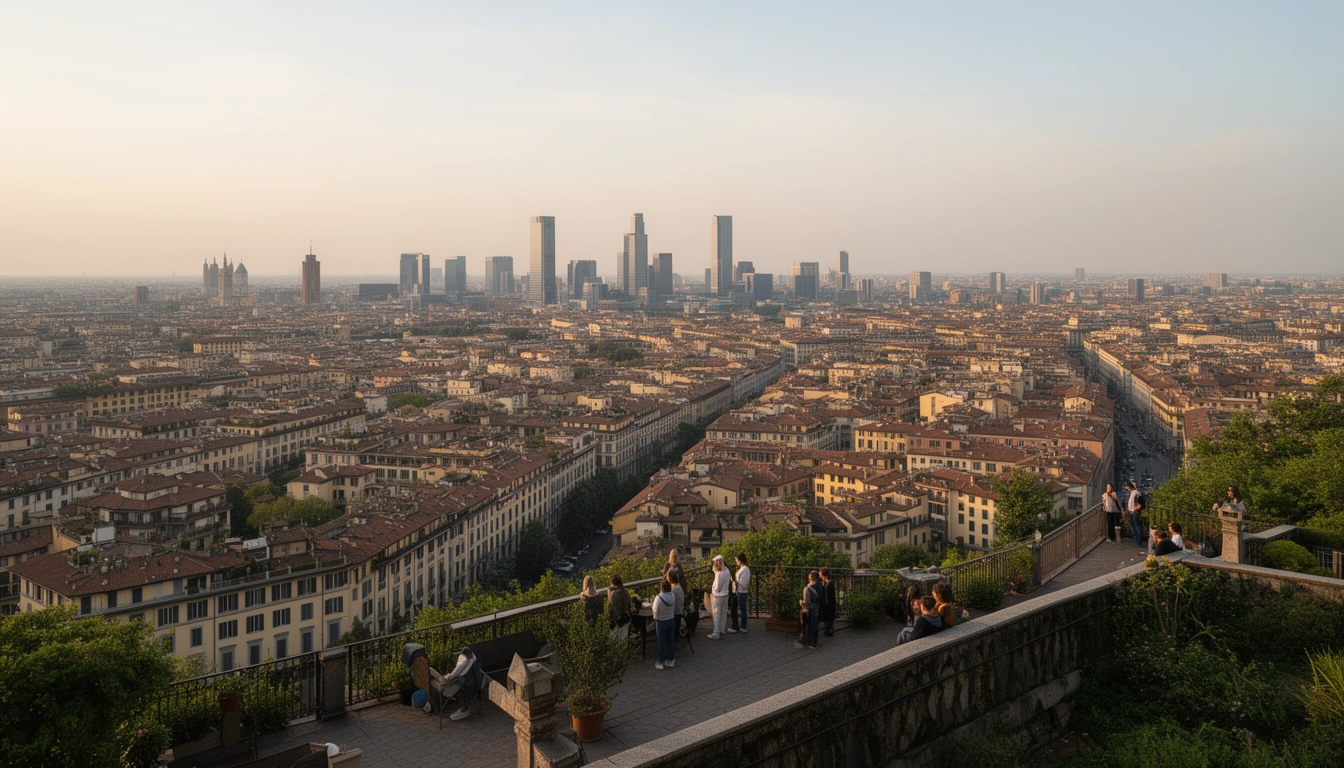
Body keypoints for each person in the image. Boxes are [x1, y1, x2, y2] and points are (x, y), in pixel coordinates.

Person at [443, 647, 484, 721]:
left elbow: (457, 671)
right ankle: (464, 708)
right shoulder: (472, 659)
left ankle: (464, 709)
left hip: (467, 681)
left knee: (461, 687)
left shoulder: (467, 661)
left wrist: (449, 677)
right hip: (472, 680)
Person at [652, 580, 677, 670]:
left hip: (661, 621)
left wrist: (656, 618)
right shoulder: (673, 595)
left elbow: (655, 611)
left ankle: (660, 661)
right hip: (671, 619)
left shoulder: (658, 598)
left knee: (661, 642)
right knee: (670, 641)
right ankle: (671, 660)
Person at [707, 555, 731, 639]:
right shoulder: (727, 570)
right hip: (725, 595)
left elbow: (718, 588)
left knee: (716, 614)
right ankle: (722, 630)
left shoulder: (719, 575)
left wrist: (713, 591)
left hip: (718, 597)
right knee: (723, 613)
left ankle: (716, 632)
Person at [797, 570, 821, 649]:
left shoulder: (807, 588)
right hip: (817, 607)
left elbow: (806, 602)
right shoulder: (820, 586)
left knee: (810, 626)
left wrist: (801, 602)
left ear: (811, 578)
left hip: (810, 608)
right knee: (815, 626)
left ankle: (811, 643)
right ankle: (815, 642)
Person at [730, 552, 750, 634]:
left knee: (742, 609)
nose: (736, 562)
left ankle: (743, 626)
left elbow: (744, 583)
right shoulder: (742, 569)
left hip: (742, 592)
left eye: (737, 560)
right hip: (740, 592)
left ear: (740, 560)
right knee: (741, 609)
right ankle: (740, 626)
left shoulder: (745, 569)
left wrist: (736, 582)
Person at [1125, 482, 1145, 546]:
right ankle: (1137, 540)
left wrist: (1136, 508)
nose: (1127, 489)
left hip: (1134, 512)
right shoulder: (1133, 493)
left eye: (1127, 487)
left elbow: (1142, 503)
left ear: (1130, 487)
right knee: (1134, 527)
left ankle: (1138, 541)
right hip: (1132, 512)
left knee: (1136, 527)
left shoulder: (1136, 494)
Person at [819, 568, 837, 637]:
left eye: (821, 575)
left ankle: (828, 631)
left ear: (824, 575)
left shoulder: (829, 584)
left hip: (829, 604)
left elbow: (827, 596)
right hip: (830, 604)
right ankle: (829, 630)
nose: (820, 577)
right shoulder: (829, 583)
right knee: (829, 618)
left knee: (828, 618)